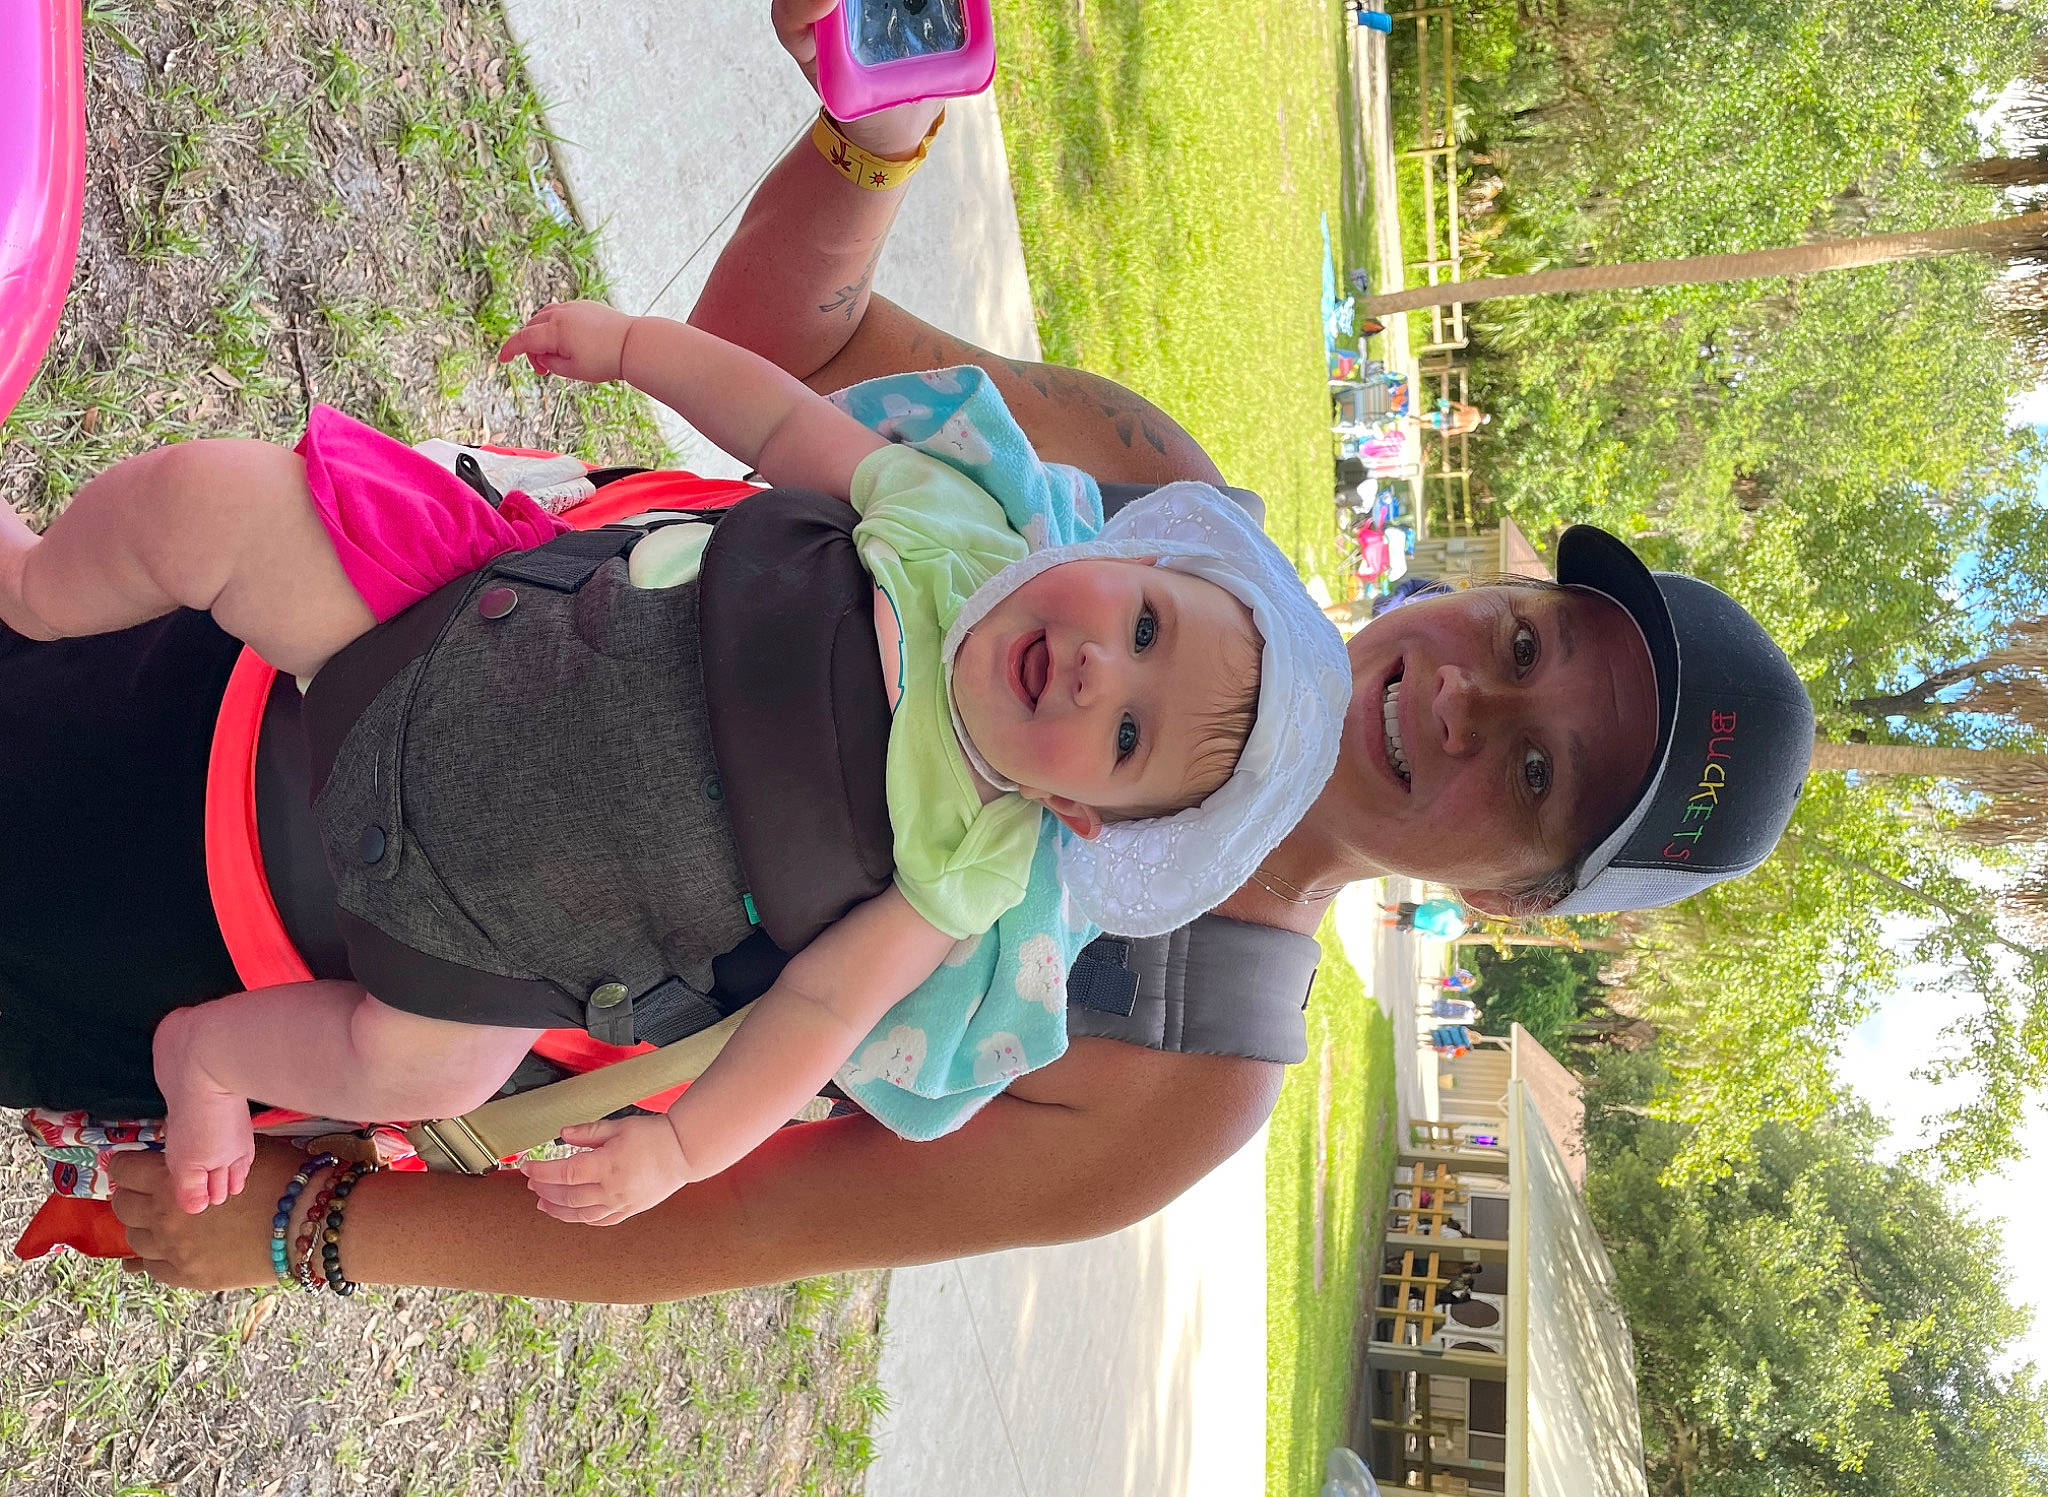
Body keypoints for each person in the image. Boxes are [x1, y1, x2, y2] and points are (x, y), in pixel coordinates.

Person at [86, 0, 1817, 1296]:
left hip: (309, 971)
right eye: (1524, 637)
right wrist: (878, 130)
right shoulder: (1144, 502)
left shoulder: (1185, 1075)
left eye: (1536, 770)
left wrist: (298, 1231)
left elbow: (725, 1217)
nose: (1462, 692)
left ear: (1511, 897)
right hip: (350, 641)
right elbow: (786, 353)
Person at [0, 293, 1345, 1224]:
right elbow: (777, 428)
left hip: (490, 932)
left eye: (1126, 737)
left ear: (1084, 818)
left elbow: (810, 1017)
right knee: (215, 506)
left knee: (428, 1070)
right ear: (1120, 558)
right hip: (447, 641)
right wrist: (643, 349)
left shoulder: (972, 861)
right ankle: (44, 587)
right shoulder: (949, 525)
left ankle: (211, 1061)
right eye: (1148, 624)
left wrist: (685, 1151)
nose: (1106, 672)